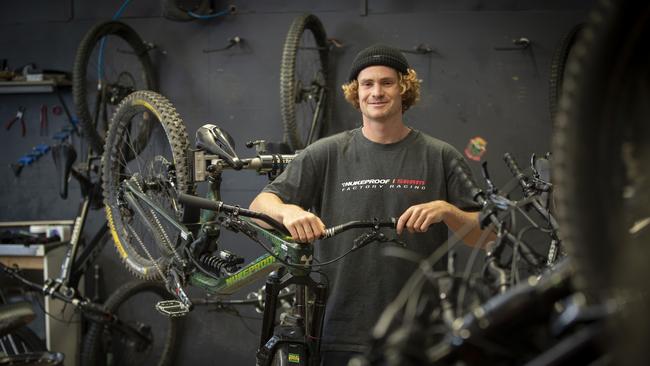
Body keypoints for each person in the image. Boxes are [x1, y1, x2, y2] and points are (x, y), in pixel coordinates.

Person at [250, 44, 489, 365]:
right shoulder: (327, 152)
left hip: (418, 334)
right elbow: (260, 207)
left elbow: (486, 236)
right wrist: (287, 210)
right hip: (336, 329)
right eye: (367, 84)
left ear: (404, 88)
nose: (376, 92)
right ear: (355, 92)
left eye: (387, 83)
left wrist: (448, 211)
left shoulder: (440, 155)